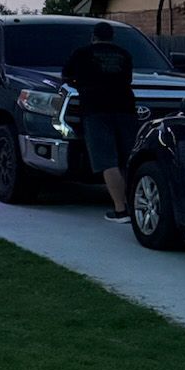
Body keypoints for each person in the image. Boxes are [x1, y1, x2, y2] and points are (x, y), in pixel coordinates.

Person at [62, 22, 140, 221]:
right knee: (127, 158)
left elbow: (67, 76)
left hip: (96, 109)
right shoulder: (124, 55)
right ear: (112, 36)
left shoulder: (82, 54)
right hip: (125, 107)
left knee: (107, 160)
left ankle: (120, 209)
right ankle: (135, 205)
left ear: (93, 36)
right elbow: (128, 79)